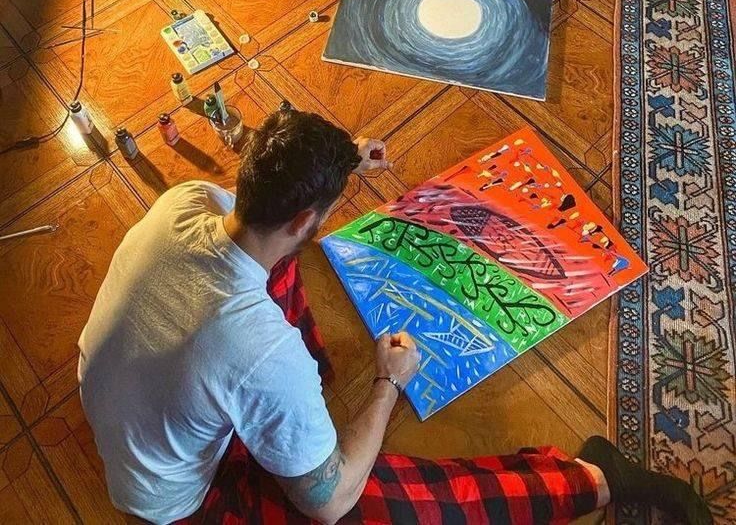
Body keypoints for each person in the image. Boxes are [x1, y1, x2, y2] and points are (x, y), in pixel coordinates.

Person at [78, 109, 713, 525]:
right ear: (307, 217)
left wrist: (342, 161)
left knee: (276, 262)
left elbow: (276, 216)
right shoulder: (261, 355)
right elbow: (327, 505)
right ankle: (597, 480)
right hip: (179, 499)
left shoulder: (186, 201)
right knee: (394, 505)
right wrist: (389, 383)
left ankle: (312, 388)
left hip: (139, 420)